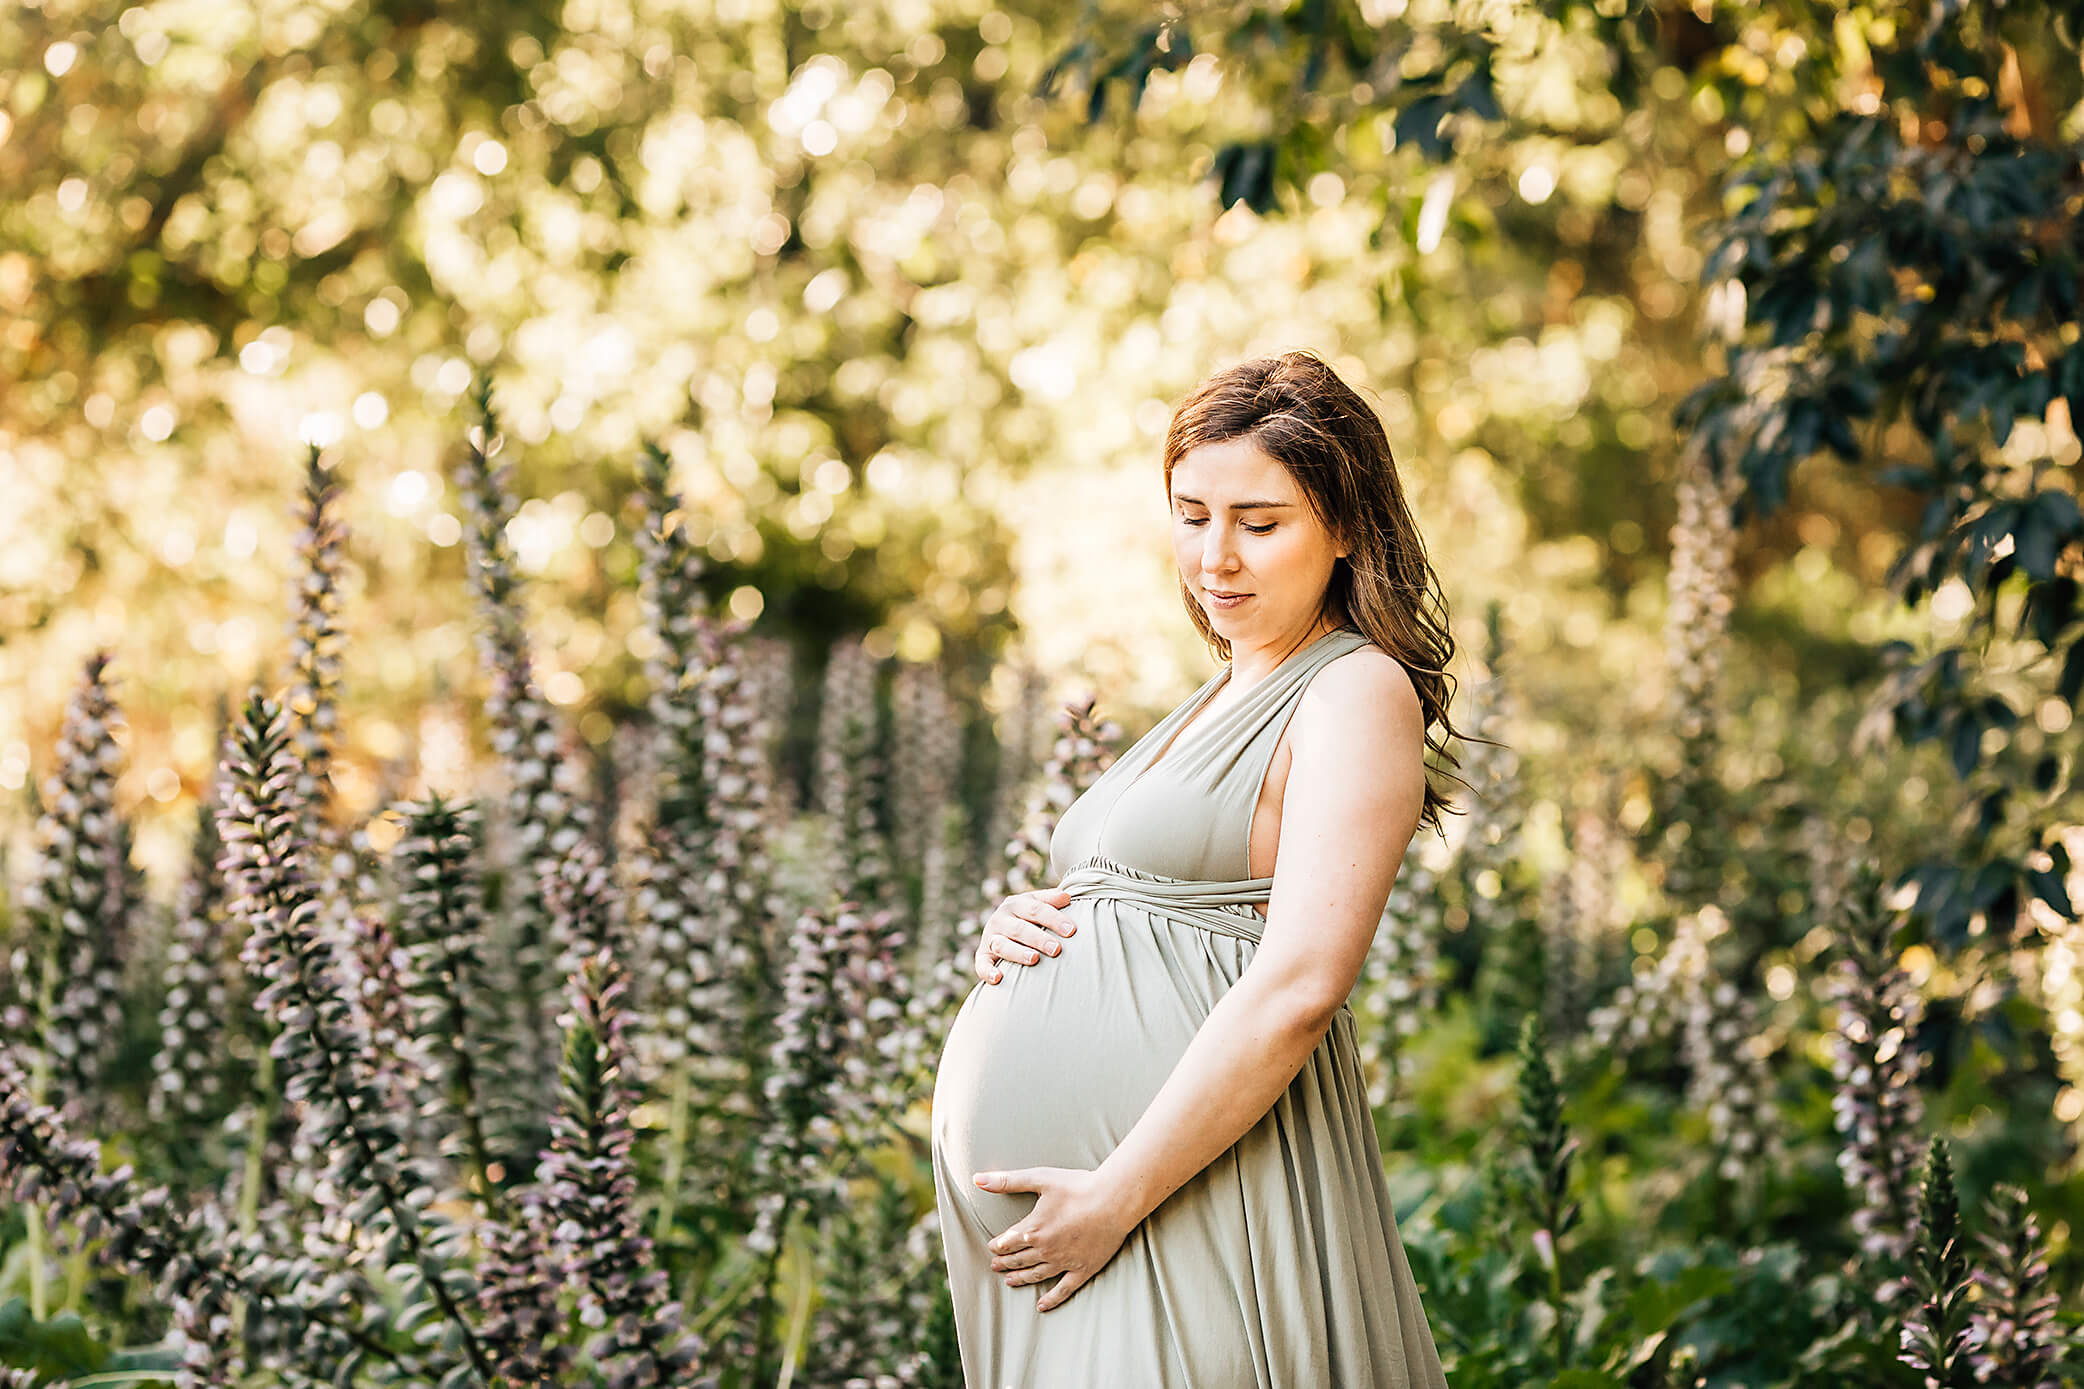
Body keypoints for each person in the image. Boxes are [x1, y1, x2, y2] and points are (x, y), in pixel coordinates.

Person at [929, 350, 1463, 1386]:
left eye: (1258, 524)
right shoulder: (1214, 695)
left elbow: (1302, 983)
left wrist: (1116, 1195)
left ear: (1346, 527)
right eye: (1190, 515)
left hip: (1180, 1199)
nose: (1214, 556)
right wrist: (1020, 925)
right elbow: (1151, 899)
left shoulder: (1353, 689)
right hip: (1101, 1220)